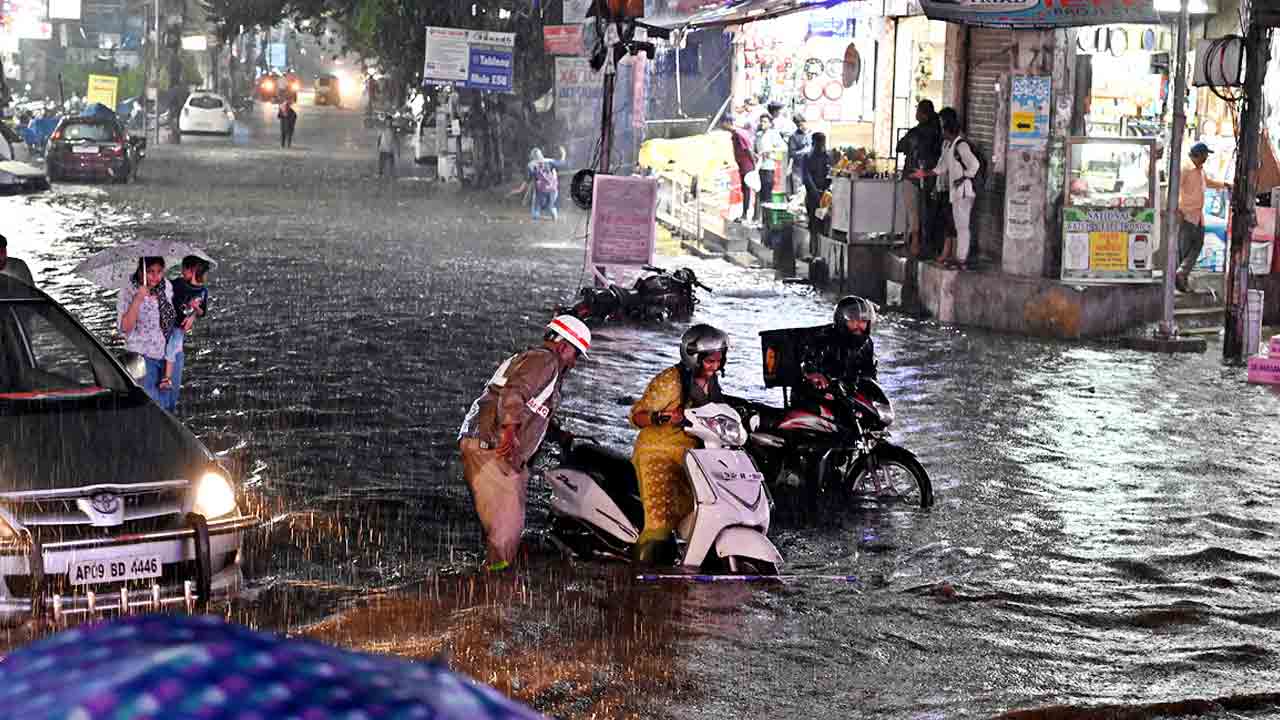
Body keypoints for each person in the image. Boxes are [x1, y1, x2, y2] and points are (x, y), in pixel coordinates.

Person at [457, 315, 592, 571]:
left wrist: (557, 435)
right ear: (564, 346)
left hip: (489, 445)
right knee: (507, 530)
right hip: (494, 446)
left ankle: (487, 578)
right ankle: (490, 587)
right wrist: (509, 431)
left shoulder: (535, 361)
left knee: (505, 525)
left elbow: (531, 408)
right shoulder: (546, 361)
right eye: (575, 354)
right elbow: (514, 394)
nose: (574, 363)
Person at [628, 324, 731, 566]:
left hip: (693, 456)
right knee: (660, 523)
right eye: (710, 361)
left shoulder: (712, 382)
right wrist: (663, 417)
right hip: (658, 454)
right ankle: (640, 574)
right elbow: (636, 416)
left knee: (696, 512)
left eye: (719, 360)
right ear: (694, 358)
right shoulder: (670, 381)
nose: (715, 366)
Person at [916, 107, 978, 269]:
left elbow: (975, 166)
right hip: (956, 192)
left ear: (948, 129)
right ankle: (958, 257)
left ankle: (961, 258)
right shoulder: (949, 146)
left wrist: (963, 176)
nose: (941, 130)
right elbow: (941, 167)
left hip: (964, 191)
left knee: (962, 226)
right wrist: (925, 173)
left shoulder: (961, 146)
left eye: (943, 127)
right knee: (958, 225)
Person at [117, 256, 175, 405]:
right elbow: (125, 328)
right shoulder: (128, 290)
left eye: (159, 271)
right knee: (150, 404)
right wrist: (137, 299)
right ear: (141, 271)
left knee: (167, 404)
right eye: (150, 271)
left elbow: (171, 318)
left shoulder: (166, 286)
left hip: (165, 355)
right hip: (141, 356)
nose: (156, 276)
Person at [1176, 142, 1231, 292]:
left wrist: (1225, 184)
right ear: (1198, 155)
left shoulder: (1200, 170)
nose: (1207, 158)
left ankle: (1181, 274)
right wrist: (1176, 210)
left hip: (1198, 216)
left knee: (1197, 245)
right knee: (1185, 250)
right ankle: (1181, 281)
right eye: (1205, 155)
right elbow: (1173, 189)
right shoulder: (1185, 168)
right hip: (1186, 215)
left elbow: (1207, 182)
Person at [800, 296, 878, 401]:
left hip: (848, 396)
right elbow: (806, 364)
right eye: (853, 320)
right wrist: (814, 375)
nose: (858, 325)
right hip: (817, 395)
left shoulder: (867, 344)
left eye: (863, 321)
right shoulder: (823, 339)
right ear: (842, 321)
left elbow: (870, 375)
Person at [160, 256, 210, 410]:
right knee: (172, 348)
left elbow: (203, 312)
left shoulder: (203, 291)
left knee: (172, 349)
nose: (181, 272)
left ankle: (167, 379)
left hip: (178, 326)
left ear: (192, 270)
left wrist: (195, 309)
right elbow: (165, 285)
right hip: (170, 322)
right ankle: (167, 381)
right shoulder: (180, 284)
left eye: (184, 269)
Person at [896, 100, 943, 258]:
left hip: (912, 176)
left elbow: (899, 146)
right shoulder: (938, 131)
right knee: (928, 211)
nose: (915, 114)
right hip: (931, 177)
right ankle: (929, 245)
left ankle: (915, 245)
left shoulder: (916, 132)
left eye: (917, 111)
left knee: (913, 212)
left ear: (923, 114)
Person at [722, 115, 757, 225]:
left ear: (728, 122)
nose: (721, 126)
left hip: (748, 166)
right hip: (742, 165)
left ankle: (746, 214)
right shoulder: (734, 135)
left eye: (722, 123)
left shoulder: (739, 134)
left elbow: (748, 150)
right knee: (744, 190)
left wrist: (754, 165)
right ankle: (745, 213)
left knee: (747, 190)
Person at [514, 147, 566, 221]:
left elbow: (528, 179)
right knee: (546, 206)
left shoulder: (533, 165)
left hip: (547, 189)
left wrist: (521, 188)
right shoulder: (547, 162)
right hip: (549, 189)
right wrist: (563, 154)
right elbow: (561, 163)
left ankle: (539, 214)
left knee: (541, 206)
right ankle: (546, 213)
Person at [803, 131, 833, 254]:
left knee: (823, 224)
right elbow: (806, 177)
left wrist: (826, 190)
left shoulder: (827, 157)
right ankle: (813, 252)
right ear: (813, 143)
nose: (821, 145)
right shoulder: (807, 157)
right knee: (813, 224)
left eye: (823, 143)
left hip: (825, 196)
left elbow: (831, 174)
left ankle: (821, 253)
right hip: (812, 196)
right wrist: (815, 192)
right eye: (819, 143)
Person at [754, 114, 786, 225]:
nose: (763, 124)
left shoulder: (773, 134)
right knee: (759, 192)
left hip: (769, 166)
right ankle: (758, 217)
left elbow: (783, 147)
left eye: (765, 122)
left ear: (770, 123)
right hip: (759, 166)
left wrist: (770, 150)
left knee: (767, 193)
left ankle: (767, 220)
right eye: (761, 121)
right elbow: (755, 148)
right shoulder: (758, 135)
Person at [787, 113, 811, 195]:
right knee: (798, 192)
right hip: (798, 169)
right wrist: (804, 151)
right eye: (798, 125)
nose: (801, 127)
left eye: (802, 124)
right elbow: (792, 153)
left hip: (811, 169)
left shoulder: (812, 134)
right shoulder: (794, 136)